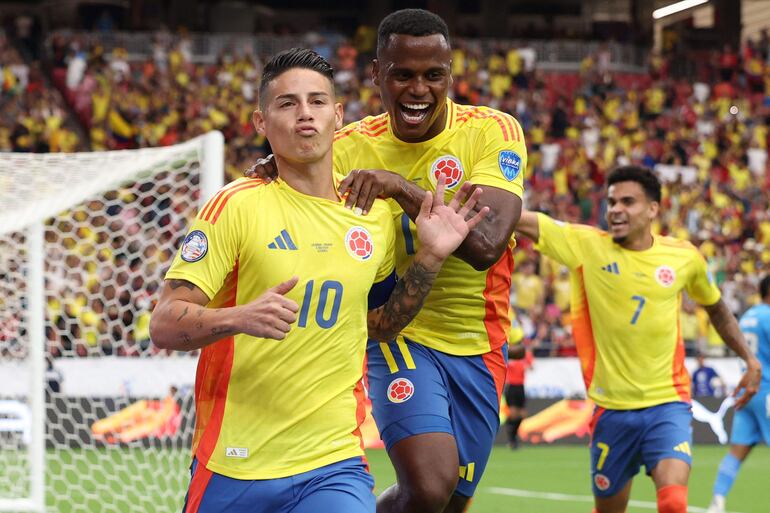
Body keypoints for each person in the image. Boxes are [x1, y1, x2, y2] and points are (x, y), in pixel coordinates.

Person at [149, 48, 488, 513]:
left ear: (338, 115)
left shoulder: (374, 220)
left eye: (317, 101)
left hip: (333, 464)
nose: (305, 114)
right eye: (287, 104)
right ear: (261, 123)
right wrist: (241, 316)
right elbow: (165, 324)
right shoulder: (235, 206)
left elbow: (381, 324)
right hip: (235, 462)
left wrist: (428, 259)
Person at [246, 10, 526, 513]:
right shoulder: (347, 146)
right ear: (377, 74)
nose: (418, 89)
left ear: (450, 74)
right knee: (430, 485)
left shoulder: (492, 131)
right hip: (398, 330)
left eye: (432, 75)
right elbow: (287, 180)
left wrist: (399, 188)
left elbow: (485, 245)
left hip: (480, 345)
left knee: (447, 502)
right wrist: (277, 162)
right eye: (402, 74)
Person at [515, 165, 761, 513]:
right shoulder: (585, 245)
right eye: (612, 202)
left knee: (674, 503)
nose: (615, 209)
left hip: (668, 404)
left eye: (627, 202)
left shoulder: (684, 257)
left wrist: (749, 360)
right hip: (611, 411)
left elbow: (717, 308)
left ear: (652, 210)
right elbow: (524, 219)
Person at [707, 274, 770, 513]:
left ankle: (717, 502)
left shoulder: (748, 316)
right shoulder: (768, 317)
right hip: (767, 391)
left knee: (737, 452)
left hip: (748, 393)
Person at [503, 320, 533, 449]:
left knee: (522, 414)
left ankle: (513, 437)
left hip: (521, 386)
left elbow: (531, 367)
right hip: (512, 387)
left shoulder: (525, 355)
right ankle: (512, 440)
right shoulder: (509, 353)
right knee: (514, 413)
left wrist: (527, 366)